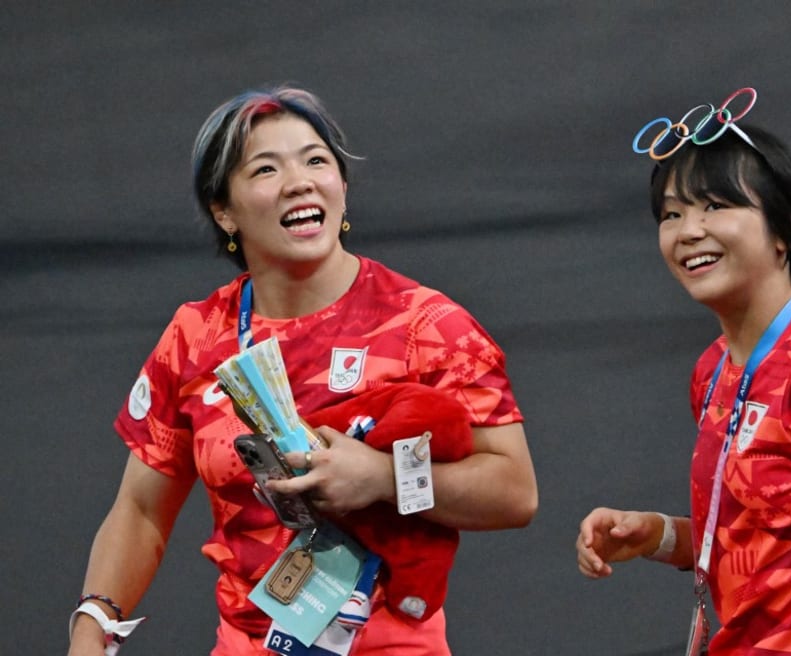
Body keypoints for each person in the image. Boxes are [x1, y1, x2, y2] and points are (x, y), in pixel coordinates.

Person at [67, 85, 538, 656]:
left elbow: (514, 492)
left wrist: (383, 478)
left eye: (316, 160)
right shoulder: (196, 335)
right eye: (265, 169)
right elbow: (141, 509)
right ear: (224, 211)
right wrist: (95, 620)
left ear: (341, 187)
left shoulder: (428, 323)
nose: (299, 181)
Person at [576, 90, 791, 655]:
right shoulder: (714, 370)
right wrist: (657, 535)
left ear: (785, 229)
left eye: (715, 206)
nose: (688, 230)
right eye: (671, 213)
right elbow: (767, 536)